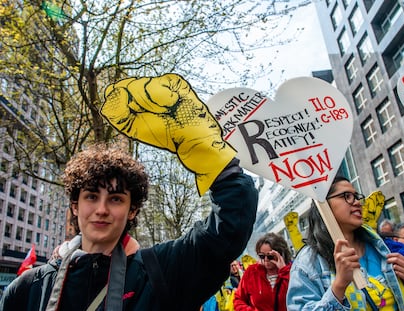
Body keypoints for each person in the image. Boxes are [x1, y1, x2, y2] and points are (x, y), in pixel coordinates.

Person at [0, 74, 258, 310]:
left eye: (115, 199)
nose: (101, 209)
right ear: (75, 206)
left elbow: (225, 234)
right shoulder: (27, 289)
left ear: (132, 209)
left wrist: (209, 153)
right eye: (91, 196)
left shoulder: (159, 273)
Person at [287, 176, 404, 310]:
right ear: (323, 204)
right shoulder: (308, 262)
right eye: (347, 196)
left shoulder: (383, 248)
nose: (357, 202)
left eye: (356, 196)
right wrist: (339, 285)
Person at [233, 232, 292, 311]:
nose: (266, 260)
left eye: (270, 256)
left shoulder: (292, 272)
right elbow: (238, 300)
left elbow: (299, 296)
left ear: (281, 254)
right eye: (262, 256)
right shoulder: (252, 272)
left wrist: (284, 272)